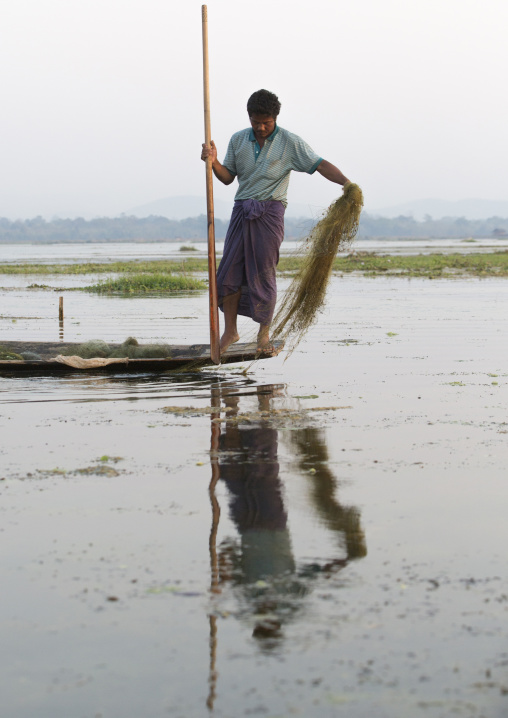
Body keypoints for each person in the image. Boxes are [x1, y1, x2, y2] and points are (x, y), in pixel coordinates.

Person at [201, 89, 350, 354]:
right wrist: (213, 162)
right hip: (241, 210)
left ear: (275, 118)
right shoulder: (238, 140)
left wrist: (347, 184)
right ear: (249, 117)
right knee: (228, 274)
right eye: (255, 121)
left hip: (270, 212)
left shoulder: (290, 142)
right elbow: (227, 178)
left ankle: (263, 336)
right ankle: (230, 332)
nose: (260, 127)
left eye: (266, 122)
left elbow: (320, 164)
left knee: (263, 274)